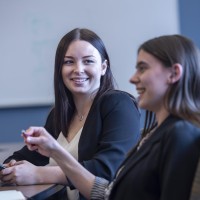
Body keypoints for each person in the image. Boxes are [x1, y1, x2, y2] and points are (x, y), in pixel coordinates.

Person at [19, 34, 200, 200]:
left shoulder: (180, 134)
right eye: (69, 62)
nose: (132, 78)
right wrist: (54, 150)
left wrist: (43, 169)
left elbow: (108, 178)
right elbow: (107, 194)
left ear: (174, 73)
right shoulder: (153, 133)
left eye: (142, 68)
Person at [0, 28, 141, 200]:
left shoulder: (118, 104)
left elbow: (108, 170)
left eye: (88, 61)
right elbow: (24, 157)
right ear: (60, 69)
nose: (78, 69)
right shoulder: (59, 114)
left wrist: (39, 174)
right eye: (69, 62)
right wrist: (10, 168)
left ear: (103, 67)